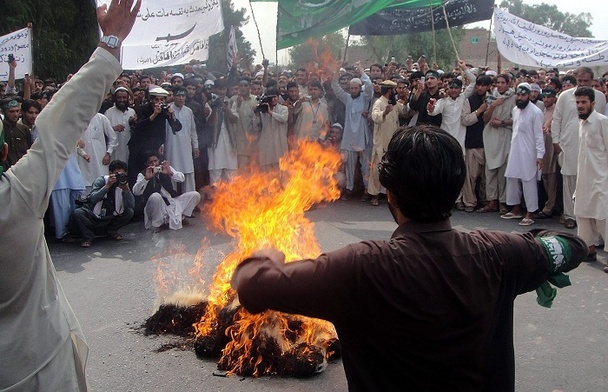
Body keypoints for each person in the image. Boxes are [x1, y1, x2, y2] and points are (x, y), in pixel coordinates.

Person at [231, 124, 587, 392]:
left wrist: (268, 251)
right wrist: (541, 249)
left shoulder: (359, 268)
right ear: (457, 187)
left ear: (391, 194)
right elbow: (572, 247)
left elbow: (251, 285)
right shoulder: (501, 253)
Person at [0, 0, 140, 389]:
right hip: (43, 367)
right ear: (6, 152)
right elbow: (61, 122)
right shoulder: (16, 197)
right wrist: (110, 43)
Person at [552, 67, 607, 230]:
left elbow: (600, 122)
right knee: (569, 179)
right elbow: (557, 119)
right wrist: (556, 142)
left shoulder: (599, 97)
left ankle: (591, 218)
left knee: (590, 182)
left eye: (586, 81)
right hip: (568, 143)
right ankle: (569, 215)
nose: (582, 84)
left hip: (592, 147)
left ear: (592, 80)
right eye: (580, 81)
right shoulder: (565, 96)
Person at [572, 87, 608, 267]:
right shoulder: (581, 123)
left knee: (603, 217)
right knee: (582, 214)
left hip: (601, 179)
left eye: (583, 102)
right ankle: (589, 249)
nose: (580, 106)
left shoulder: (603, 122)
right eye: (577, 102)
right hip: (584, 179)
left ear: (593, 103)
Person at [500, 83, 545, 226]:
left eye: (523, 95)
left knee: (528, 181)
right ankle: (516, 209)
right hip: (515, 150)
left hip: (529, 153)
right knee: (512, 178)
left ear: (529, 96)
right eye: (518, 95)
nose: (520, 98)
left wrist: (540, 155)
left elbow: (539, 136)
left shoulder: (536, 112)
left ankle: (530, 213)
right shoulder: (515, 110)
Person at [70, 160, 135, 247]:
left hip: (111, 216)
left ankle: (111, 231)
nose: (119, 177)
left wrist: (127, 190)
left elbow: (132, 205)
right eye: (117, 174)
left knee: (129, 212)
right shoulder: (101, 181)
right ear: (110, 173)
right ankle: (88, 237)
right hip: (93, 216)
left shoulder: (123, 184)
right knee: (78, 213)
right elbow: (93, 199)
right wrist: (107, 186)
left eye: (122, 174)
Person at [132, 152, 201, 232]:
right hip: (156, 204)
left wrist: (170, 173)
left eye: (155, 161)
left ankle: (182, 217)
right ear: (146, 163)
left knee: (195, 195)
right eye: (151, 162)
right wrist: (146, 179)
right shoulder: (143, 174)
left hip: (171, 201)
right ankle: (157, 224)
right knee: (155, 196)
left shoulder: (165, 168)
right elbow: (136, 192)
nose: (154, 164)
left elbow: (181, 178)